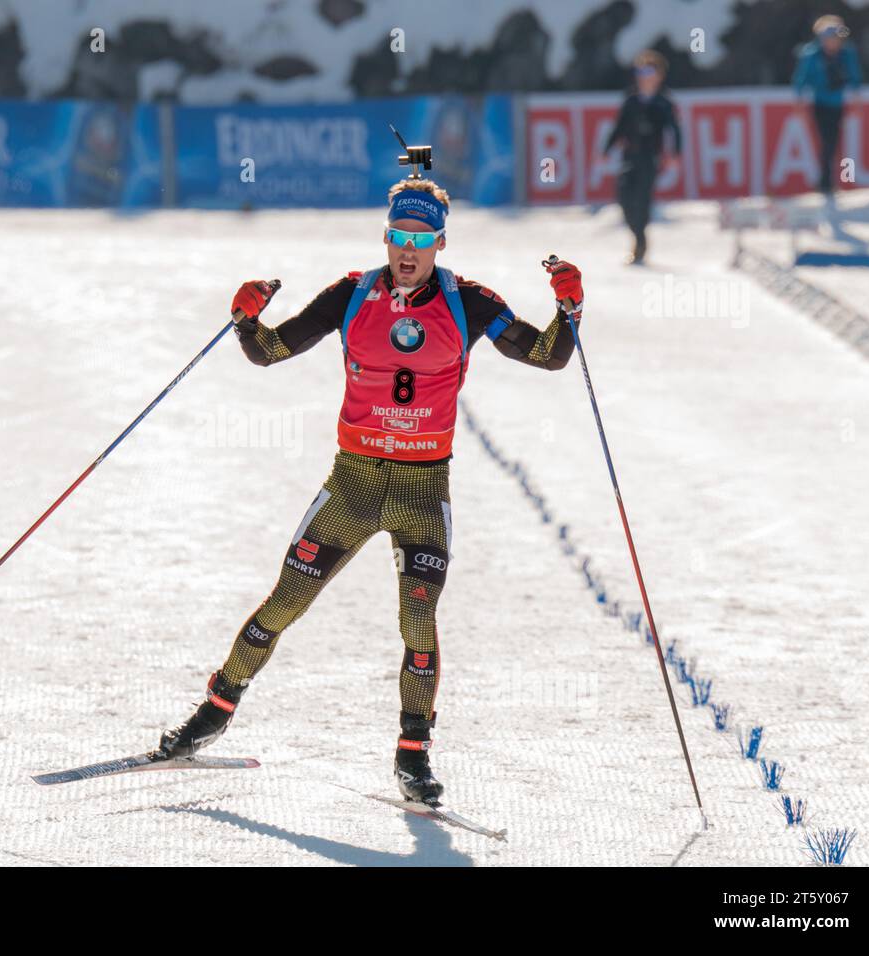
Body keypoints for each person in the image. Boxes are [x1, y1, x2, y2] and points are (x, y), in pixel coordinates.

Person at [157, 174, 584, 802]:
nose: (408, 251)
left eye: (422, 238)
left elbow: (548, 355)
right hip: (353, 483)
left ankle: (413, 757)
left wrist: (569, 311)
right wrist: (246, 321)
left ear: (439, 242)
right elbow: (272, 351)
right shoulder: (351, 294)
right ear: (386, 238)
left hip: (421, 489)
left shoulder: (470, 302)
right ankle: (212, 715)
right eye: (398, 237)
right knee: (284, 604)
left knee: (419, 620)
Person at [603, 50, 682, 265]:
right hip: (630, 155)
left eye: (649, 71)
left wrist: (675, 153)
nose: (644, 76)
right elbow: (619, 127)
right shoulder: (631, 100)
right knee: (624, 196)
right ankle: (637, 235)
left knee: (643, 199)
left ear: (659, 75)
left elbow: (674, 129)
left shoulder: (664, 103)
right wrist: (606, 150)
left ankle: (640, 243)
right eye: (641, 70)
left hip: (650, 157)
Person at [793, 15, 862, 196]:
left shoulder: (847, 54)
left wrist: (856, 98)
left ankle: (826, 182)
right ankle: (825, 183)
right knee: (827, 142)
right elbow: (801, 79)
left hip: (838, 105)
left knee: (833, 142)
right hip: (820, 104)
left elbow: (855, 77)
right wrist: (799, 101)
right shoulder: (811, 55)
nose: (833, 43)